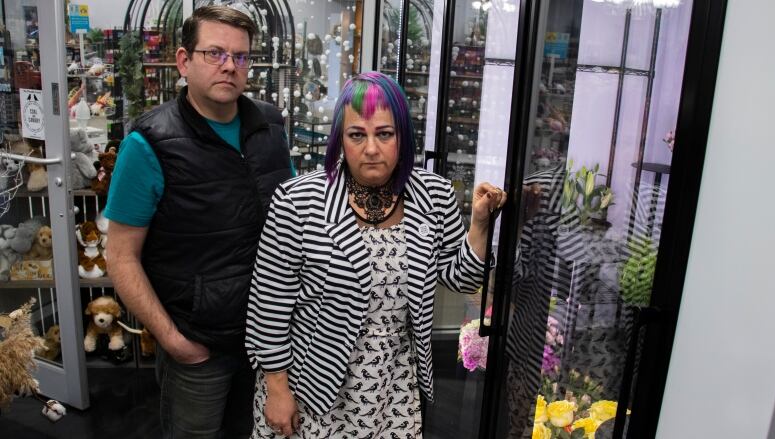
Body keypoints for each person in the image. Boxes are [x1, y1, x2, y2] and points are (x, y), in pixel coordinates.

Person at [245, 71, 507, 438]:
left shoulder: (433, 194)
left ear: (402, 137)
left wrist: (479, 225)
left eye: (384, 133)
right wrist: (276, 389)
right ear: (340, 139)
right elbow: (268, 307)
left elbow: (460, 277)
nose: (371, 148)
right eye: (357, 135)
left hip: (394, 386)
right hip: (311, 386)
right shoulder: (298, 201)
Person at [104, 6, 292, 438]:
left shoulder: (270, 127)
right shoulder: (149, 143)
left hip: (268, 344)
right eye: (215, 53)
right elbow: (121, 256)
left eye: (241, 56)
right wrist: (173, 342)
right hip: (198, 348)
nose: (229, 65)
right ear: (184, 61)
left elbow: (291, 223)